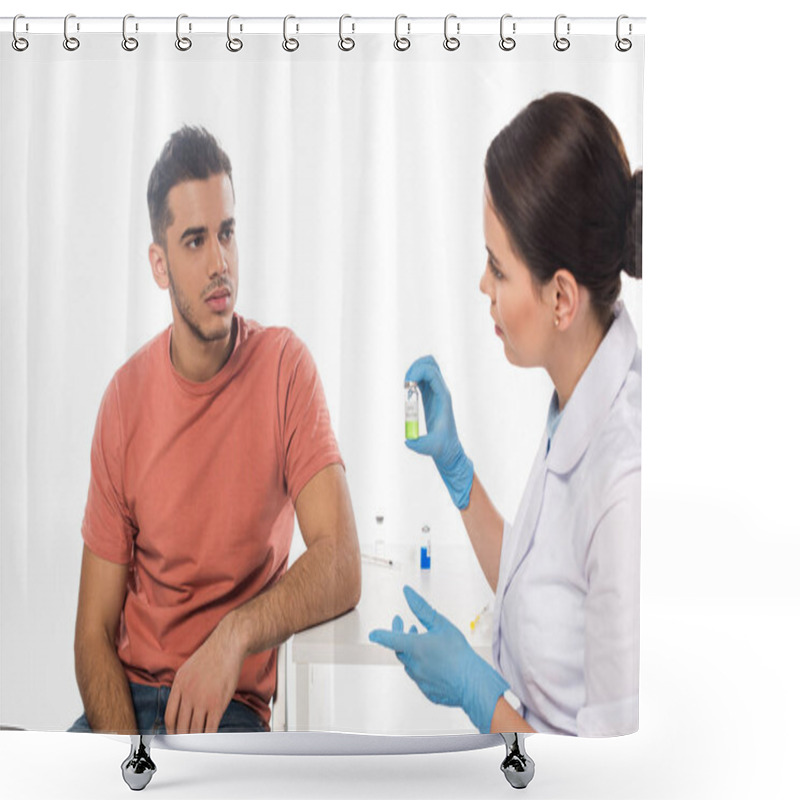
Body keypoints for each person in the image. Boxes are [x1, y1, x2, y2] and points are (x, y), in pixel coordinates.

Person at [69, 126, 361, 735]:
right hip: (126, 703)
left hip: (226, 709)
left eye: (227, 233)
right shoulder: (124, 401)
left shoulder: (285, 370)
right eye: (195, 241)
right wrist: (130, 764)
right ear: (159, 263)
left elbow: (341, 565)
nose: (219, 262)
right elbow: (93, 633)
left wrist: (235, 636)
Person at [370, 92, 642, 737]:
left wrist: (475, 691)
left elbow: (611, 782)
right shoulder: (577, 403)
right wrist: (456, 470)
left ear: (561, 298)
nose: (482, 287)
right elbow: (538, 589)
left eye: (498, 268)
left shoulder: (624, 485)